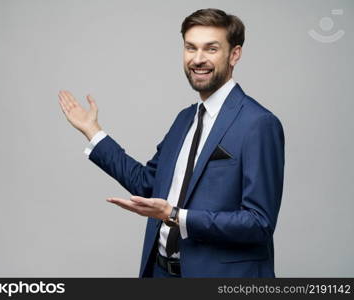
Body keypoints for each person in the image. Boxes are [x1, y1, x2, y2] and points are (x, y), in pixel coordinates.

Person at [58, 8, 285, 278]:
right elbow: (147, 182)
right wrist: (93, 132)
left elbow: (259, 223)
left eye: (211, 49)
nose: (198, 59)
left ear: (234, 54)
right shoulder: (185, 119)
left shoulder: (258, 123)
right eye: (191, 48)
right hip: (160, 273)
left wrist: (176, 215)